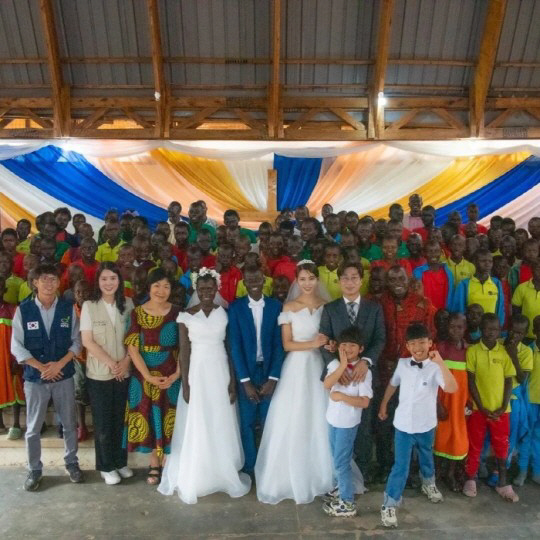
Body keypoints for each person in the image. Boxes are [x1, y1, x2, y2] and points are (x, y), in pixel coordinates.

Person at [159, 269, 251, 503]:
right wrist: (186, 384)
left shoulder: (225, 313)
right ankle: (199, 470)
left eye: (210, 289)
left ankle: (221, 469)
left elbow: (231, 350)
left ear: (217, 289)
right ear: (196, 291)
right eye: (202, 289)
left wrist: (232, 381)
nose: (206, 293)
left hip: (220, 370)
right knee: (199, 419)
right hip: (197, 373)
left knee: (220, 418)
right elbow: (184, 352)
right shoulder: (186, 316)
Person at [255, 261, 334, 504]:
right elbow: (287, 344)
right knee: (295, 416)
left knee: (319, 418)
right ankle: (288, 475)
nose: (307, 283)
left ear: (317, 280)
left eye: (311, 278)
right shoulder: (289, 307)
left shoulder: (327, 306)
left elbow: (331, 337)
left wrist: (328, 344)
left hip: (320, 366)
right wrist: (313, 343)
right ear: (296, 281)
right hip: (297, 367)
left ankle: (322, 475)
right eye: (303, 279)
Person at [11, 263, 84, 491]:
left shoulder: (67, 308)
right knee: (33, 427)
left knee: (69, 423)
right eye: (44, 279)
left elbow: (77, 342)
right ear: (35, 282)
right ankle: (34, 469)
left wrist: (60, 364)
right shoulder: (23, 310)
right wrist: (41, 367)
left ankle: (72, 463)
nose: (49, 283)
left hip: (63, 375)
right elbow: (17, 346)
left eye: (53, 279)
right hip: (35, 378)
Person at [378, 323, 457, 528]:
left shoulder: (435, 368)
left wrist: (440, 362)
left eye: (422, 342)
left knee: (426, 456)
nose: (418, 347)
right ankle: (390, 503)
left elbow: (451, 387)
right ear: (407, 345)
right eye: (412, 343)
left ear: (430, 343)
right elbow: (393, 384)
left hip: (426, 424)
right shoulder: (403, 364)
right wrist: (384, 403)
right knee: (401, 466)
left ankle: (429, 484)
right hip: (403, 425)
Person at [319, 262, 385, 479]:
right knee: (339, 428)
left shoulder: (374, 308)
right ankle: (340, 476)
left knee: (364, 427)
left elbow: (379, 339)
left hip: (362, 376)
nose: (349, 282)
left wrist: (365, 361)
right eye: (345, 278)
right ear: (339, 281)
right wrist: (338, 368)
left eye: (354, 277)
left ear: (361, 280)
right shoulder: (330, 308)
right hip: (340, 379)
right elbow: (324, 341)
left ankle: (362, 474)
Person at [375, 266, 436, 480]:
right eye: (392, 279)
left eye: (401, 278)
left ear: (408, 280)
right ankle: (384, 466)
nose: (397, 283)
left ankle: (410, 470)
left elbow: (430, 338)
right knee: (385, 420)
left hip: (413, 374)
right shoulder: (378, 303)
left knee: (412, 422)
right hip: (385, 372)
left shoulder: (423, 304)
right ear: (387, 282)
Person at [124, 268, 181, 485]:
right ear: (149, 287)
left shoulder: (178, 312)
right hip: (144, 376)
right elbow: (132, 348)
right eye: (157, 285)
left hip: (171, 373)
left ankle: (170, 463)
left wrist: (177, 373)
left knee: (170, 418)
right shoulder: (137, 313)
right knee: (149, 417)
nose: (161, 290)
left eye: (166, 286)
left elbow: (185, 346)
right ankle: (154, 464)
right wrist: (147, 376)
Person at [80, 263, 135, 485]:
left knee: (121, 421)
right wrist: (113, 364)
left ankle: (120, 463)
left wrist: (125, 362)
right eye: (104, 279)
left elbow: (134, 337)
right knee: (103, 423)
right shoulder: (89, 306)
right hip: (100, 374)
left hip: (124, 371)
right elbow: (87, 341)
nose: (109, 283)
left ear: (119, 281)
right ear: (98, 282)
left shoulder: (128, 304)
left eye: (113, 278)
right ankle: (105, 466)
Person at [228, 266, 285, 475]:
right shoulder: (235, 308)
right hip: (247, 374)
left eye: (258, 278)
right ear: (244, 282)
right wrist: (244, 381)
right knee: (247, 422)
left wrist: (273, 377)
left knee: (270, 421)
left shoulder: (275, 306)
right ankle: (251, 467)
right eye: (249, 278)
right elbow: (235, 346)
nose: (254, 281)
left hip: (268, 371)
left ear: (264, 280)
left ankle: (269, 467)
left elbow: (280, 345)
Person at [462, 313, 519, 502]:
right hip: (480, 410)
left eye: (494, 329)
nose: (490, 333)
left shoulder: (503, 353)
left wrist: (503, 406)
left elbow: (509, 380)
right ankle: (470, 478)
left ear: (500, 330)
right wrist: (481, 406)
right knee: (475, 444)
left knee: (502, 446)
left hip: (501, 412)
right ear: (481, 329)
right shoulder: (473, 351)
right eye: (487, 329)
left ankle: (502, 483)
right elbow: (471, 382)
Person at [322, 327, 373, 517]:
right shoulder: (336, 366)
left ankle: (347, 502)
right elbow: (327, 385)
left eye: (352, 345)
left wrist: (342, 396)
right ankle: (340, 488)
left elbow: (365, 401)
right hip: (332, 419)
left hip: (347, 423)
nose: (348, 348)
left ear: (361, 348)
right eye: (344, 345)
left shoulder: (363, 372)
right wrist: (342, 366)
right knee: (336, 458)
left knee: (342, 462)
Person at [434, 313, 469, 492]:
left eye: (459, 327)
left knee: (457, 439)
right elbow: (430, 380)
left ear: (465, 328)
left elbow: (470, 378)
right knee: (440, 437)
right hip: (443, 403)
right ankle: (436, 472)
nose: (455, 330)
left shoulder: (468, 350)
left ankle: (451, 473)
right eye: (452, 326)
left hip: (459, 404)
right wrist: (437, 404)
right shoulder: (439, 348)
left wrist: (469, 402)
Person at [514, 315, 540, 486]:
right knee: (526, 435)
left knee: (539, 436)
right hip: (529, 400)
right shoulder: (529, 350)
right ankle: (522, 470)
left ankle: (537, 470)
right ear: (535, 331)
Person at [453, 249, 505, 327]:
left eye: (490, 261)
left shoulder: (496, 283)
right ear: (475, 262)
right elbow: (460, 310)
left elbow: (500, 309)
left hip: (490, 330)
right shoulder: (464, 284)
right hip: (471, 329)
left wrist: (498, 327)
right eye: (483, 261)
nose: (487, 264)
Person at [0, 276, 24, 439]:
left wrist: (17, 358)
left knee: (15, 386)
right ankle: (1, 423)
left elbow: (20, 336)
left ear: (5, 290)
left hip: (10, 356)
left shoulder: (13, 309)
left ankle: (16, 424)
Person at [413, 241, 454, 310]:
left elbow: (450, 295)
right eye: (430, 251)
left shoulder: (448, 273)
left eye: (436, 251)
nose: (433, 254)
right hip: (425, 312)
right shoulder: (418, 272)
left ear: (441, 253)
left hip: (443, 312)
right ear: (424, 253)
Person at [512, 259, 540, 343]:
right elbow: (516, 312)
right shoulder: (522, 288)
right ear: (532, 269)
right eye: (538, 268)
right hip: (525, 336)